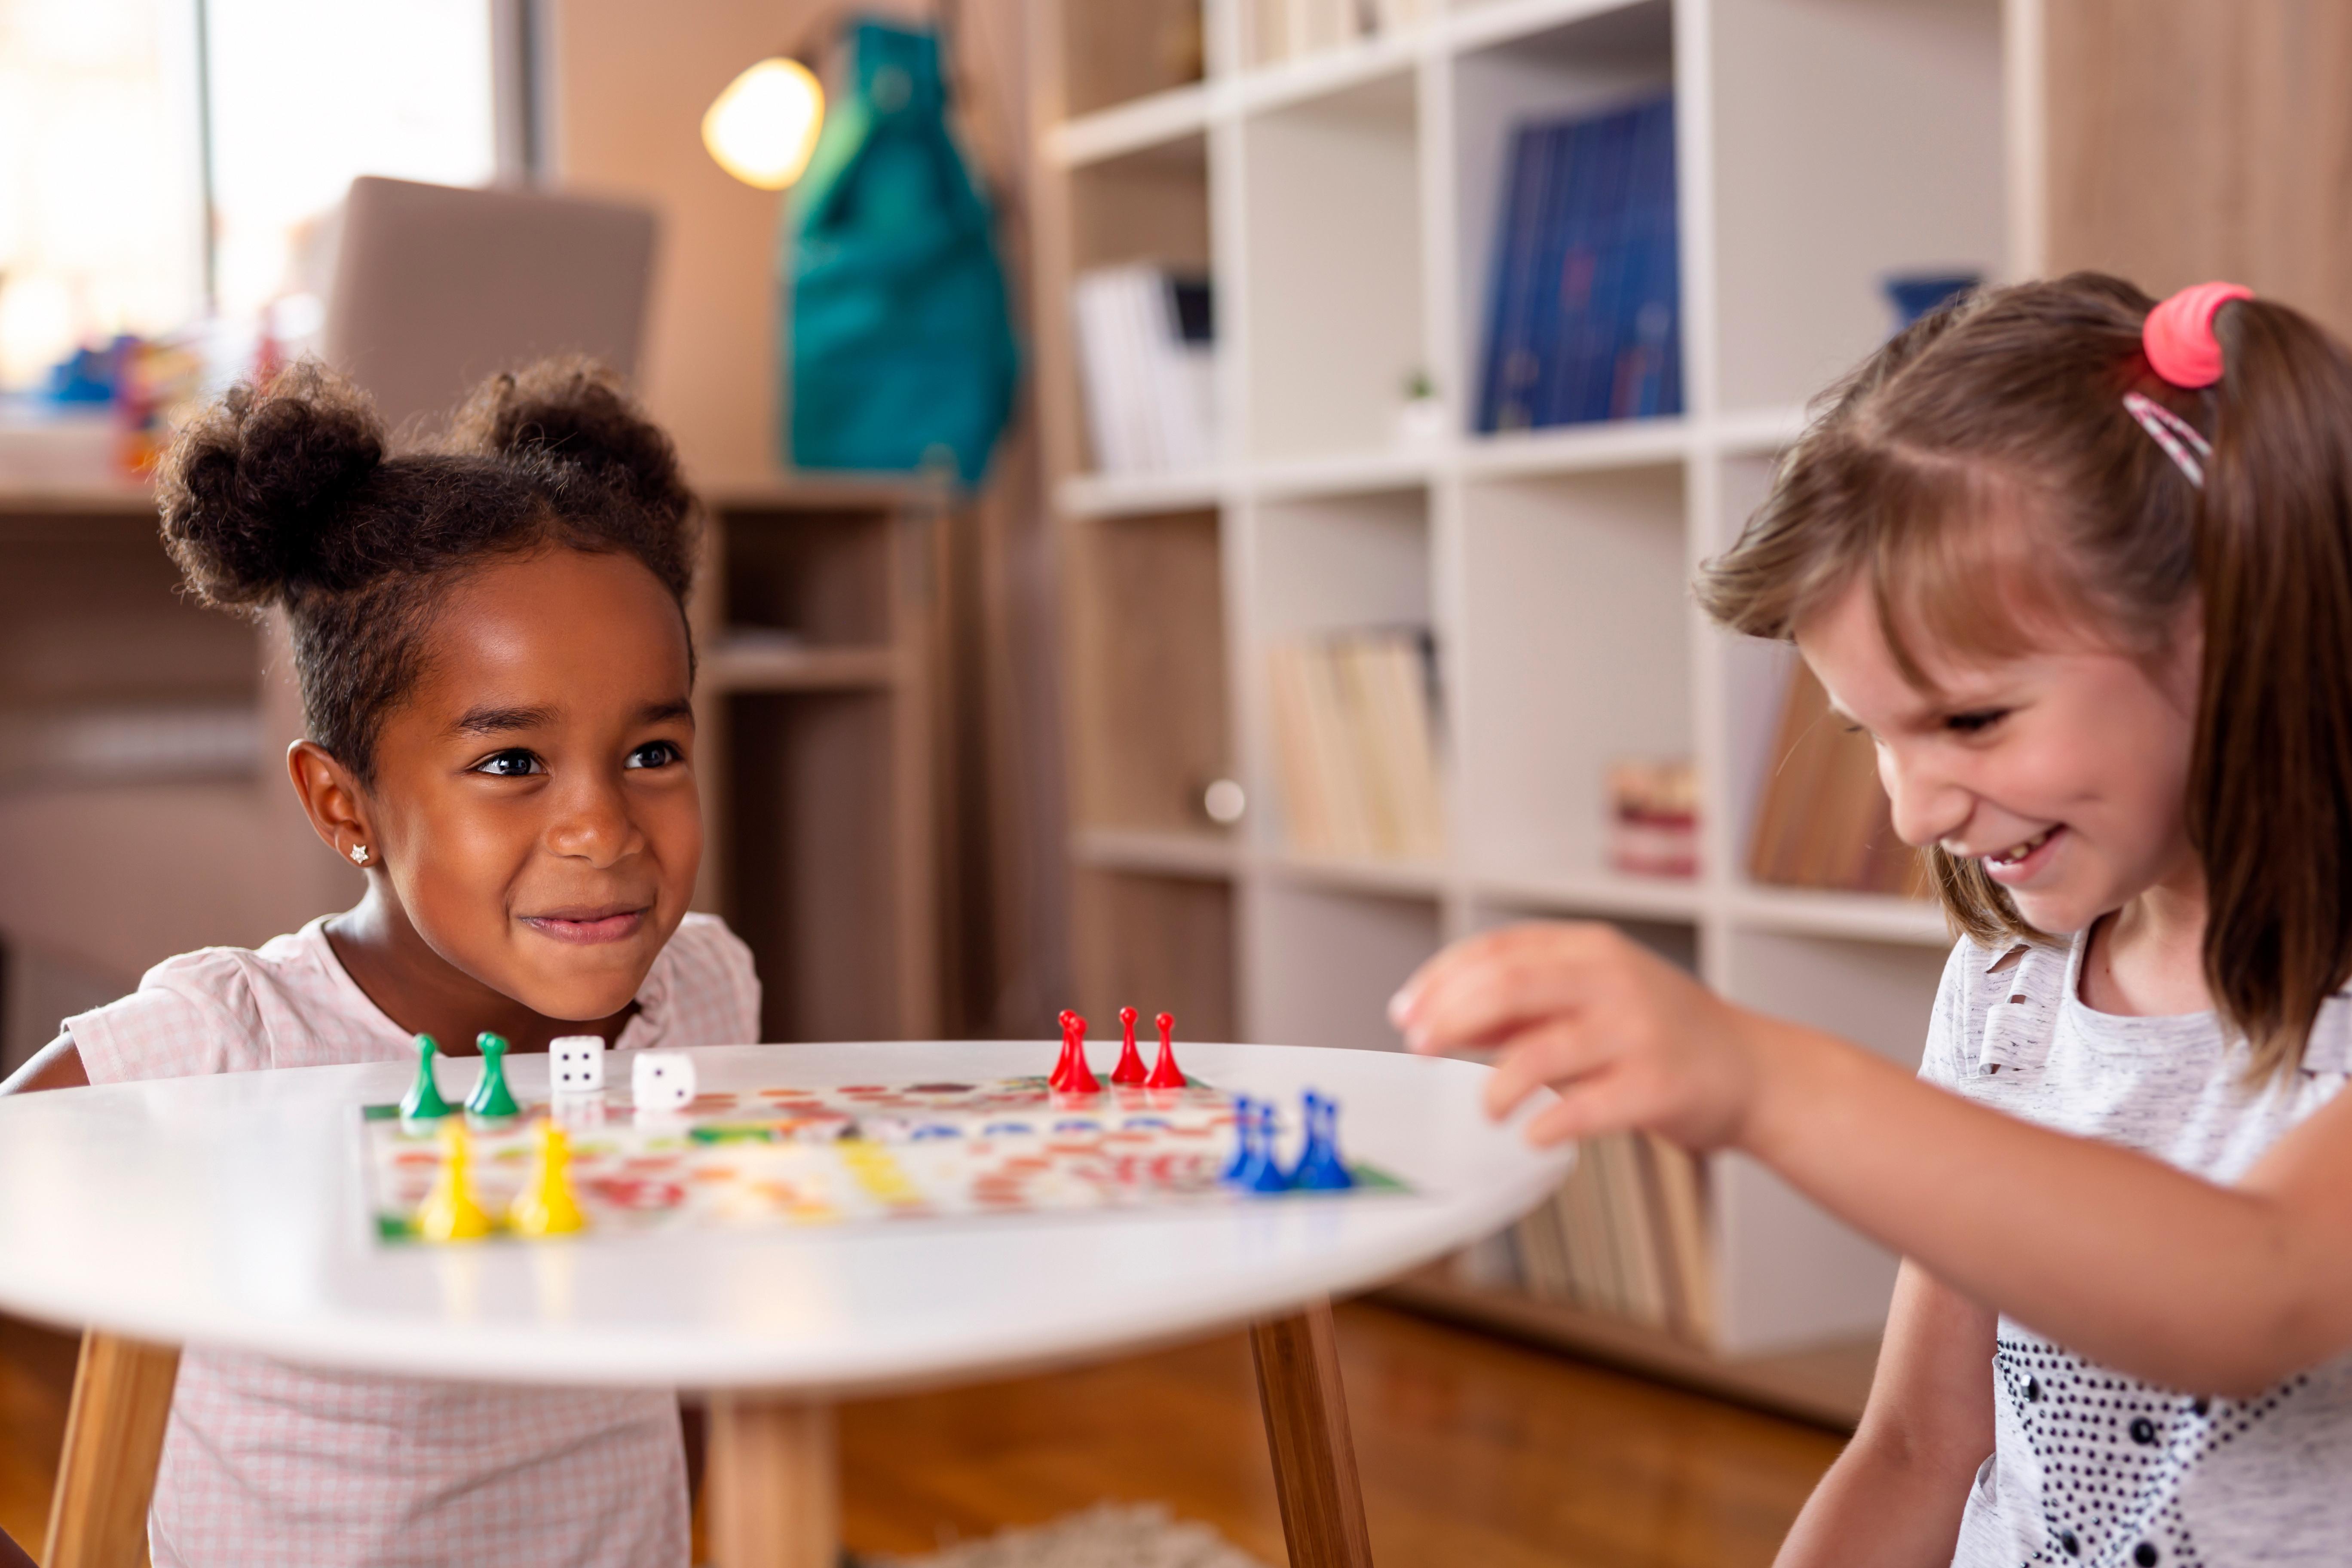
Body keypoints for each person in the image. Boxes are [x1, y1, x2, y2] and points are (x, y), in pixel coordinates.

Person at [1390, 274, 2352, 1565]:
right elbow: (1915, 1446)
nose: (1911, 814)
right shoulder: (2010, 989)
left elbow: (2262, 1289)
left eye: (1969, 720)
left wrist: (1760, 1079)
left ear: (2232, 627)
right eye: (1871, 738)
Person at [3, 358, 755, 1566]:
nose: (603, 828)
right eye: (513, 764)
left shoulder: (708, 991)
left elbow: (699, 1357)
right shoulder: (222, 1047)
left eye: (653, 750)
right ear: (342, 804)